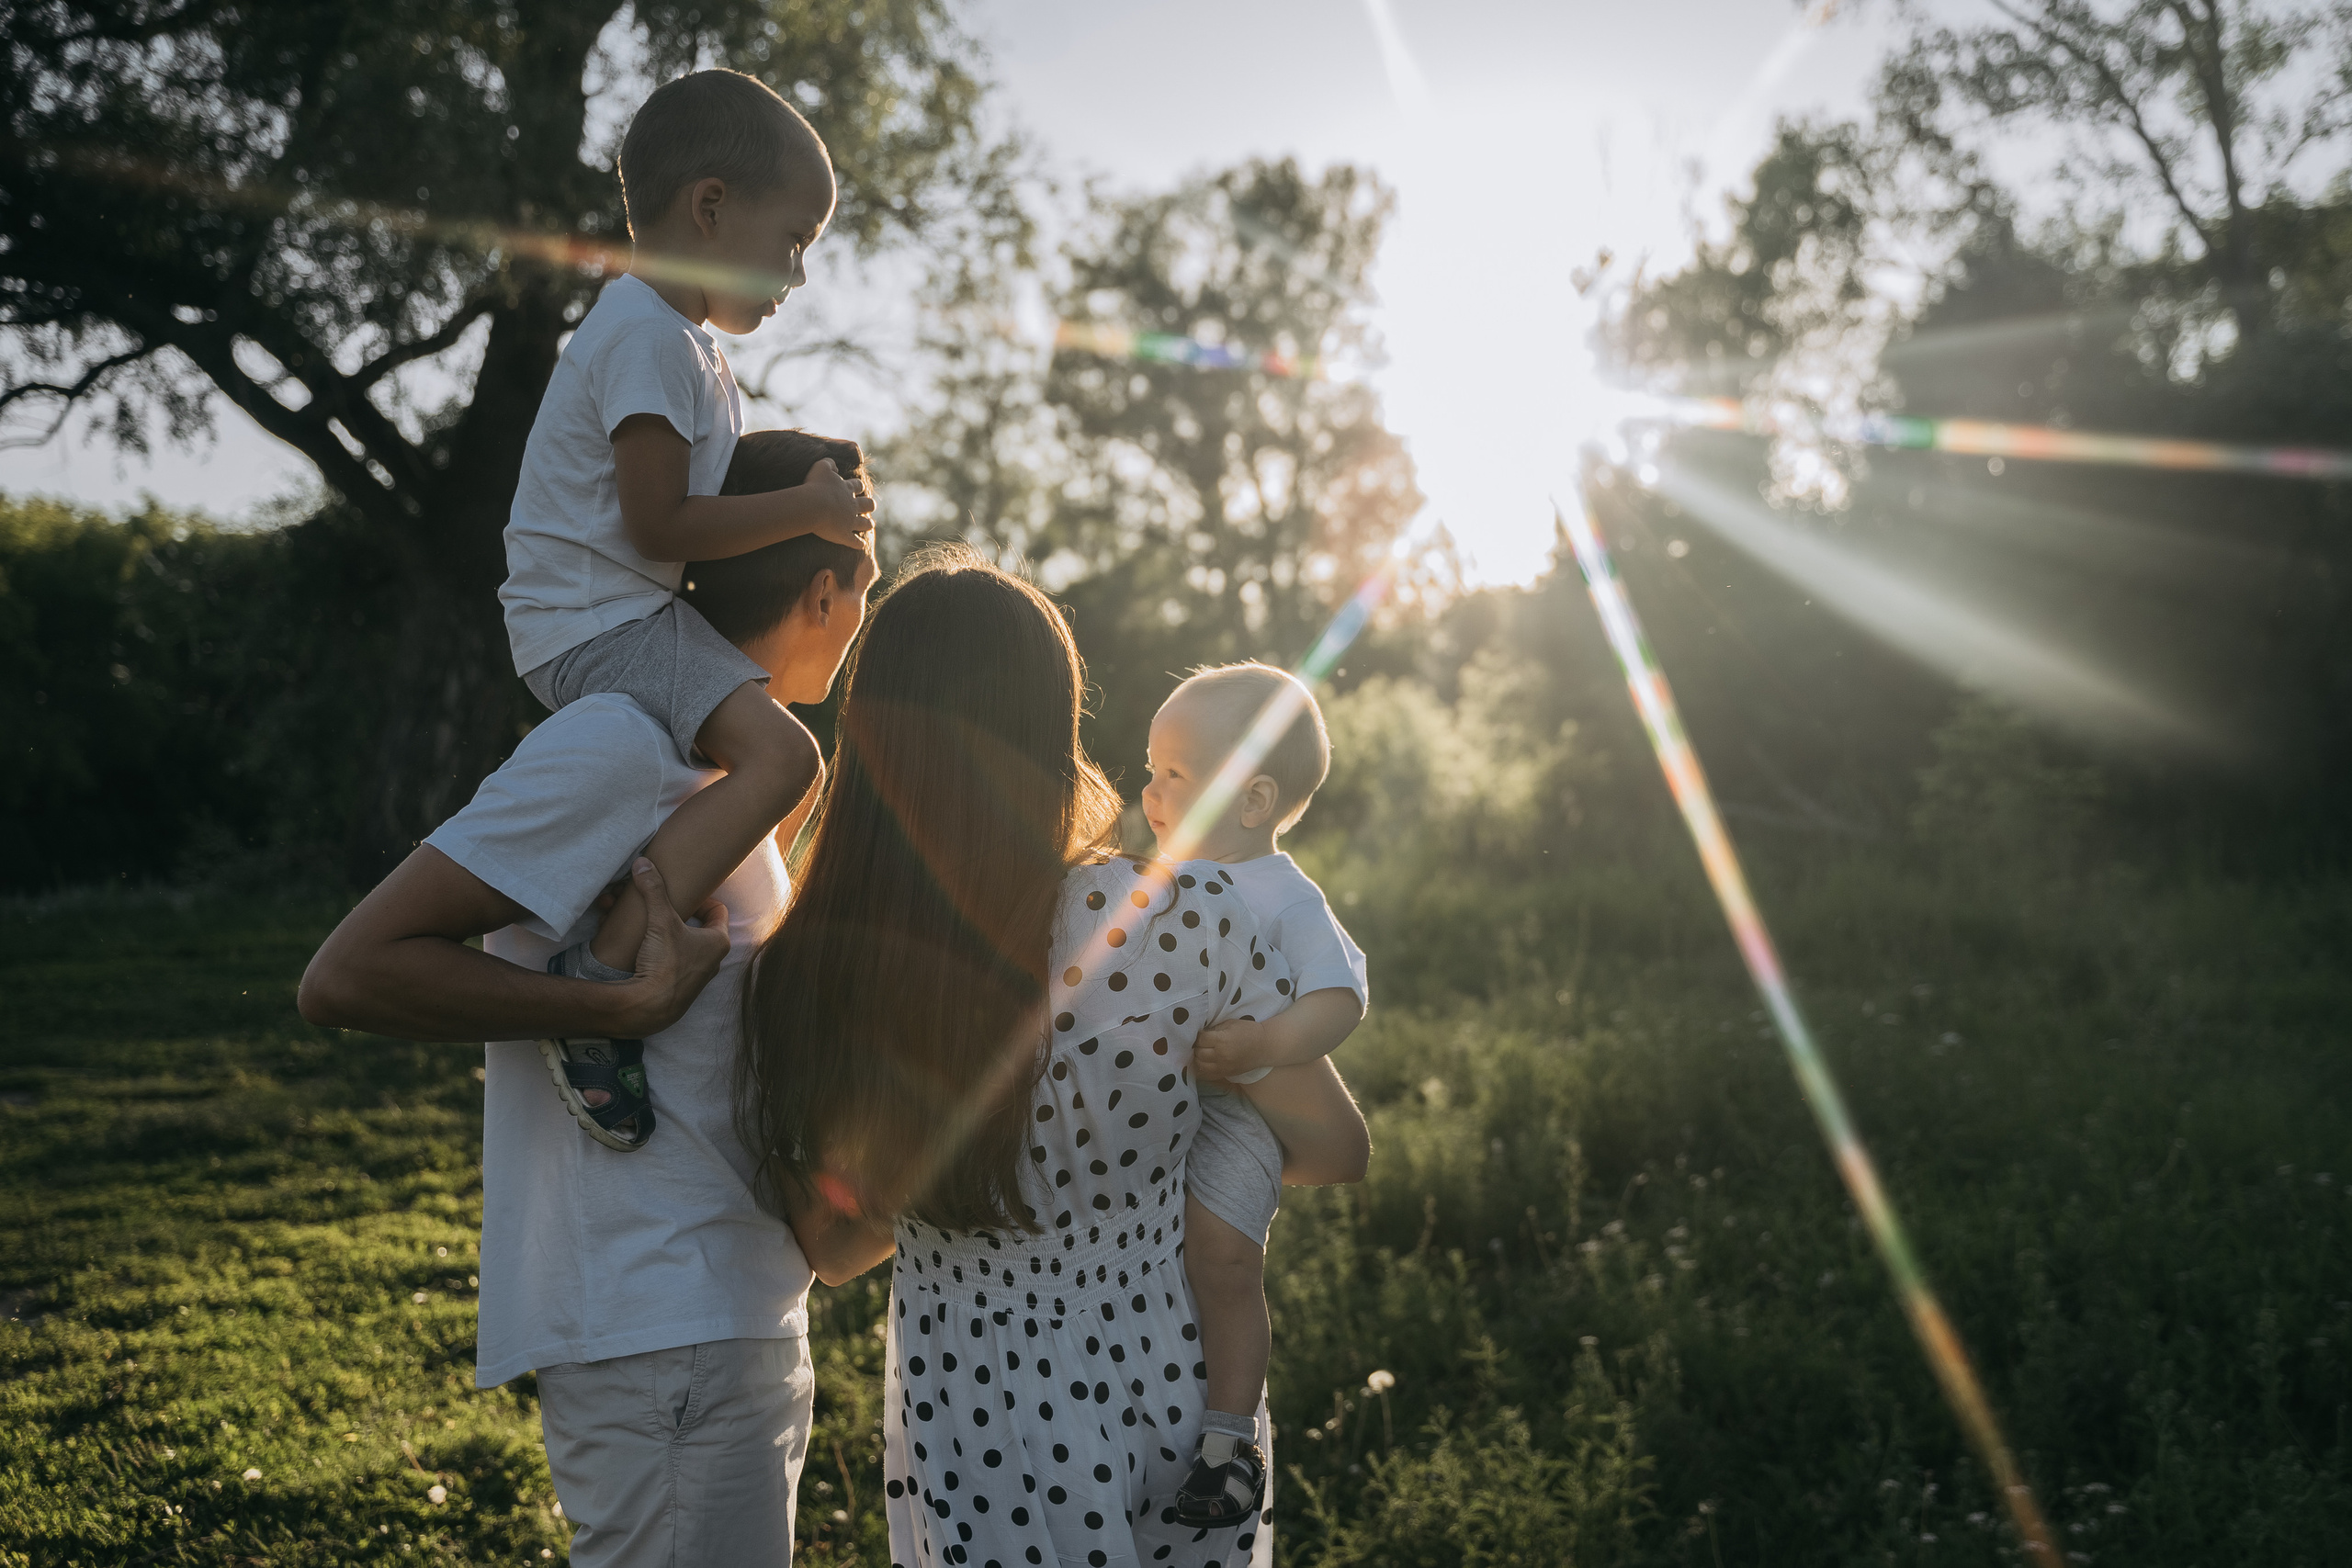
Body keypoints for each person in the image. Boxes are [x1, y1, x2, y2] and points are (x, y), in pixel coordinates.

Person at [300, 430, 880, 1568]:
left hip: (721, 1310)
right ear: (824, 590)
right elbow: (348, 973)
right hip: (662, 1321)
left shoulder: (723, 776)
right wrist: (616, 1013)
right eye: (868, 591)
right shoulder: (621, 742)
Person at [734, 547, 1373, 1568]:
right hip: (1171, 1381)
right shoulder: (1176, 917)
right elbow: (1337, 1148)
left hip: (974, 1405)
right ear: (1050, 724)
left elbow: (840, 1249)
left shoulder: (807, 968)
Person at [500, 68, 874, 1149]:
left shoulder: (687, 348)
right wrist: (802, 506)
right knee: (787, 758)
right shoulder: (646, 338)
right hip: (595, 622)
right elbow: (662, 525)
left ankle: (710, 897)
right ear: (709, 209)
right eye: (793, 238)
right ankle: (602, 971)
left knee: (753, 747)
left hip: (619, 614)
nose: (799, 273)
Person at [1137, 662, 1369, 1528]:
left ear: (1252, 799)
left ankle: (1232, 1446)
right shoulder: (1163, 873)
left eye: (1176, 776)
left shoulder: (1284, 894)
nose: (1151, 791)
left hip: (1240, 1114)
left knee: (1222, 1263)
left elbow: (1340, 997)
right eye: (1151, 768)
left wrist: (1268, 1045)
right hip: (1168, 1103)